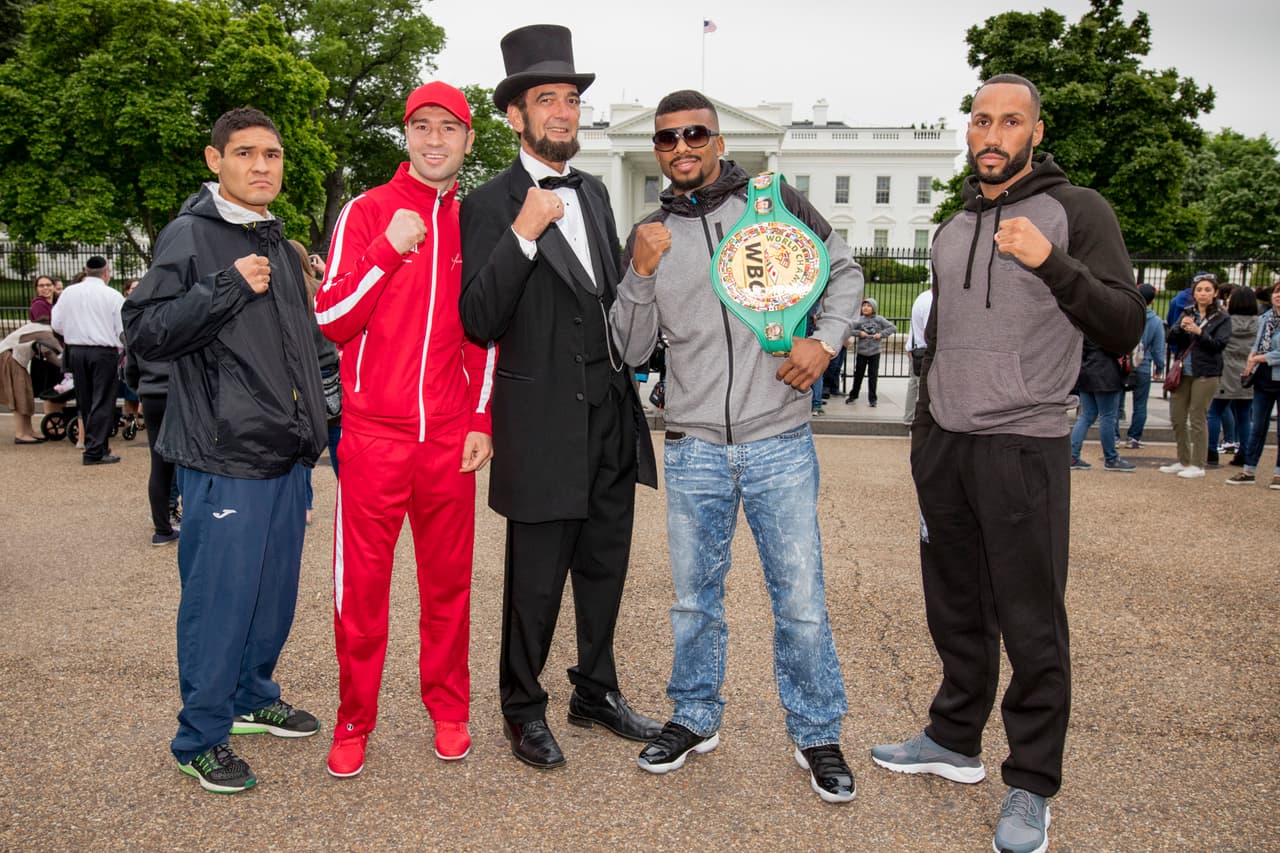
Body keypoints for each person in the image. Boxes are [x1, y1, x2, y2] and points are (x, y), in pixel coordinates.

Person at [871, 75, 1143, 853]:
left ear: (1035, 130)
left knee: (1031, 621)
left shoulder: (1076, 210)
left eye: (1010, 122)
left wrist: (1054, 263)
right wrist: (926, 427)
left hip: (1023, 443)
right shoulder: (954, 222)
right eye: (981, 120)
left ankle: (1030, 783)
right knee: (955, 606)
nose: (992, 134)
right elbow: (943, 339)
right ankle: (954, 738)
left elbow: (1124, 321)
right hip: (946, 445)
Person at [610, 89, 864, 802]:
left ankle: (816, 730)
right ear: (656, 149)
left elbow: (842, 271)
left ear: (719, 140)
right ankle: (694, 715)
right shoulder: (650, 230)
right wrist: (639, 273)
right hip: (693, 445)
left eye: (696, 133)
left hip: (778, 437)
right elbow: (628, 349)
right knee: (694, 601)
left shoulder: (773, 199)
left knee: (802, 600)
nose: (681, 147)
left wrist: (825, 340)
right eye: (667, 138)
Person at [459, 24, 661, 770]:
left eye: (572, 99)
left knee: (605, 567)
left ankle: (594, 689)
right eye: (548, 100)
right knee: (535, 580)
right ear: (515, 114)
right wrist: (520, 234)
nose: (565, 113)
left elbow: (609, 300)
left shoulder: (598, 192)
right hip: (540, 421)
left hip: (609, 415)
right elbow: (478, 319)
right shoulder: (488, 204)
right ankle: (521, 704)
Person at [122, 107, 327, 794]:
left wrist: (319, 424)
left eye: (271, 154)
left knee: (271, 598)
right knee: (219, 603)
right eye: (245, 153)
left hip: (284, 454)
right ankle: (199, 736)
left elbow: (304, 350)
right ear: (217, 162)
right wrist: (227, 285)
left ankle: (249, 696)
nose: (261, 165)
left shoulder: (278, 239)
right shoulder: (190, 234)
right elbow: (146, 330)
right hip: (221, 457)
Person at [315, 81, 495, 779]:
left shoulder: (475, 221)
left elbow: (485, 332)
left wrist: (480, 417)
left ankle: (449, 709)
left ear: (468, 140)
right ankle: (354, 719)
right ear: (407, 135)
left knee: (448, 586)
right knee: (361, 589)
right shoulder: (368, 210)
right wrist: (388, 251)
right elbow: (332, 319)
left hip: (449, 436)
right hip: (374, 436)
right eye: (421, 125)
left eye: (448, 128)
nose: (434, 139)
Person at [50, 256, 124, 464]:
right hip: (103, 351)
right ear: (106, 272)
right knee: (103, 400)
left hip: (76, 350)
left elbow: (56, 324)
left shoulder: (68, 293)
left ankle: (96, 446)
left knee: (86, 399)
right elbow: (121, 329)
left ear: (85, 269)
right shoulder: (112, 295)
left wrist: (75, 332)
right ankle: (95, 450)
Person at [1160, 274, 1231, 479]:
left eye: (1207, 290)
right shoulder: (1187, 312)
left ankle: (1198, 464)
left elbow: (1219, 345)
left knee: (1198, 416)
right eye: (1199, 290)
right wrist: (1182, 329)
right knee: (1178, 417)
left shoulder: (1221, 317)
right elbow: (1170, 337)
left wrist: (1200, 332)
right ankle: (1183, 459)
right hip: (1184, 370)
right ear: (1193, 293)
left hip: (1206, 372)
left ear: (1215, 293)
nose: (1203, 293)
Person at [1228, 281, 1280, 488]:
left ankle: (1278, 473)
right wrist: (1252, 358)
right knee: (1257, 425)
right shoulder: (1265, 318)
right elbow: (1257, 344)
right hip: (1263, 378)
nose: (1278, 296)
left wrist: (1258, 358)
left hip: (1274, 371)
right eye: (1277, 292)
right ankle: (1249, 469)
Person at [1207, 286, 1258, 466]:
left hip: (1225, 370)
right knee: (1245, 415)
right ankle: (1244, 453)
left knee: (1214, 411)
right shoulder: (1258, 323)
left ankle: (1211, 451)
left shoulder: (1225, 321)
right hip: (1248, 371)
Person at [1068, 337, 1135, 471]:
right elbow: (1118, 351)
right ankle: (1111, 458)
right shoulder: (1107, 326)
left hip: (1087, 372)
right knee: (1108, 417)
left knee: (1086, 416)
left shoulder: (1086, 326)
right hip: (1106, 374)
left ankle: (1072, 455)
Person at [1122, 283, 1166, 448]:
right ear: (1152, 301)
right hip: (1143, 364)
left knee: (1117, 402)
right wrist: (1159, 367)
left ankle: (1114, 436)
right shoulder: (1155, 321)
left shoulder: (1126, 316)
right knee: (1140, 404)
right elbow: (1159, 348)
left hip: (1124, 363)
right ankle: (1133, 437)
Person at [0, 322, 52, 443]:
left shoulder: (40, 327)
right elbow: (51, 354)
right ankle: (21, 433)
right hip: (11, 357)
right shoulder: (47, 332)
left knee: (25, 392)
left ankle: (28, 430)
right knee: (18, 394)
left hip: (14, 357)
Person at [844, 297, 896, 407]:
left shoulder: (879, 319)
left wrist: (881, 334)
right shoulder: (859, 320)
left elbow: (892, 327)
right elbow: (848, 330)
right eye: (864, 306)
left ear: (873, 308)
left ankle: (872, 399)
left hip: (874, 353)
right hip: (862, 352)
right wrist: (859, 333)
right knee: (858, 375)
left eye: (868, 306)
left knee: (873, 376)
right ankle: (853, 395)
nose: (865, 308)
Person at [903, 288, 934, 427]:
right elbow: (931, 332)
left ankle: (909, 419)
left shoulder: (922, 297)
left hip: (916, 349)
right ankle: (918, 423)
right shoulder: (931, 301)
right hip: (925, 351)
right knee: (922, 390)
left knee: (914, 386)